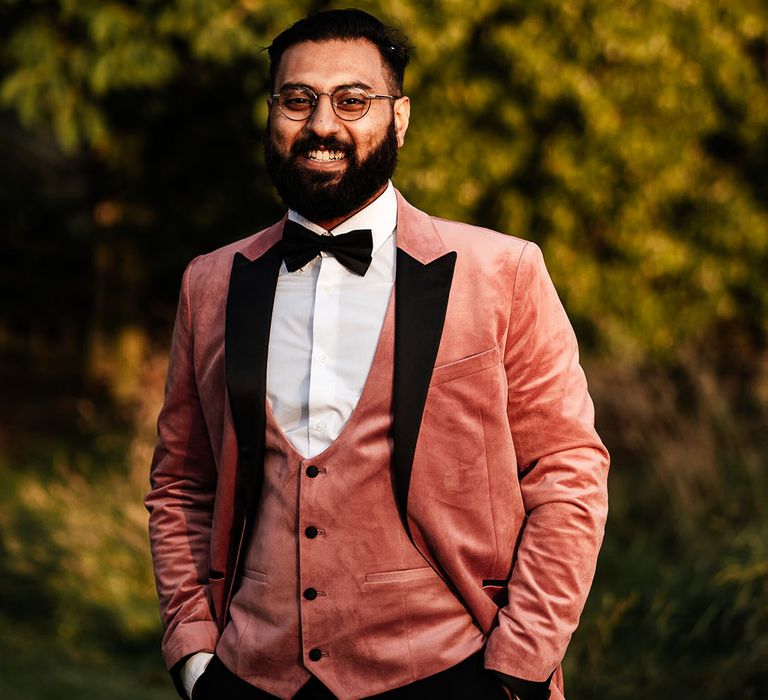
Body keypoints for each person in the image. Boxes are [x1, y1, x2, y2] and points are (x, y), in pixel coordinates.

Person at [145, 9, 609, 700]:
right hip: (250, 679)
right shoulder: (210, 283)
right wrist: (192, 654)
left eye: (352, 101)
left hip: (455, 673)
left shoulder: (502, 272)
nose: (322, 125)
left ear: (399, 118)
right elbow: (181, 485)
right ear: (272, 114)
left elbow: (569, 474)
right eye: (297, 100)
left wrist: (520, 664)